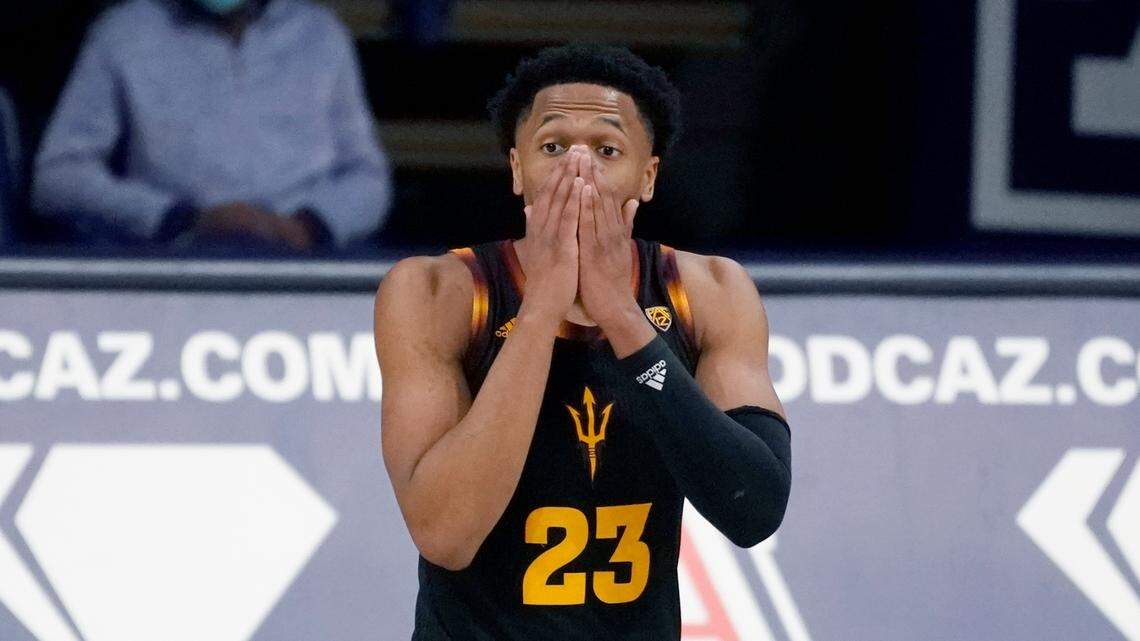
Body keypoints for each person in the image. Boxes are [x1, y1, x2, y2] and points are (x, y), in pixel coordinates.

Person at [373, 44, 791, 640]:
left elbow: (752, 509)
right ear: (517, 169)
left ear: (647, 177)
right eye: (552, 147)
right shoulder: (437, 293)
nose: (578, 169)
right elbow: (446, 534)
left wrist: (622, 317)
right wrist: (542, 308)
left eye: (606, 149)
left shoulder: (711, 291)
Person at [31, 0, 391, 252]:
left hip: (305, 267)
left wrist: (308, 226)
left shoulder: (320, 35)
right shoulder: (123, 33)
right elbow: (58, 178)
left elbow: (368, 176)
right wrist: (177, 219)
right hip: (167, 270)